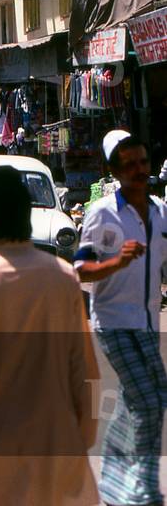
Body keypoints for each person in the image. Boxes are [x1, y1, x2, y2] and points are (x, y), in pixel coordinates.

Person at [0, 165, 99, 506]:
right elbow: (86, 372)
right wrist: (81, 437)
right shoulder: (63, 278)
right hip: (57, 453)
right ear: (27, 214)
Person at [75, 132, 167, 506]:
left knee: (145, 398)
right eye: (128, 164)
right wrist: (117, 262)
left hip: (146, 320)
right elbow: (81, 269)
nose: (138, 170)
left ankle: (113, 484)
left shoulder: (161, 211)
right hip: (112, 321)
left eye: (143, 162)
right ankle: (143, 490)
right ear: (113, 171)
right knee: (148, 401)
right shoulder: (101, 213)